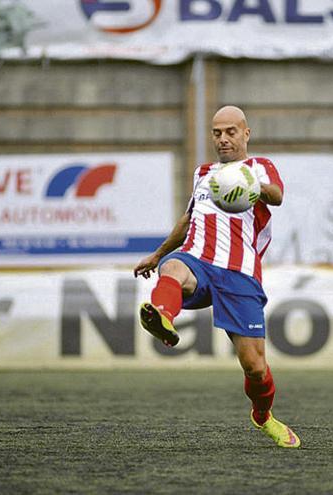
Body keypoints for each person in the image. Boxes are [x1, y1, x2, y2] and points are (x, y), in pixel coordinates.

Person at [133, 105, 300, 448]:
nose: (223, 139)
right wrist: (159, 253)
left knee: (254, 366)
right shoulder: (203, 173)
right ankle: (163, 316)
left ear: (246, 133)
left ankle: (263, 416)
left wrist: (250, 184)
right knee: (173, 269)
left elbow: (278, 196)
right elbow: (187, 219)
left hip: (239, 273)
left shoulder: (260, 167)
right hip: (198, 259)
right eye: (217, 133)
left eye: (230, 132)